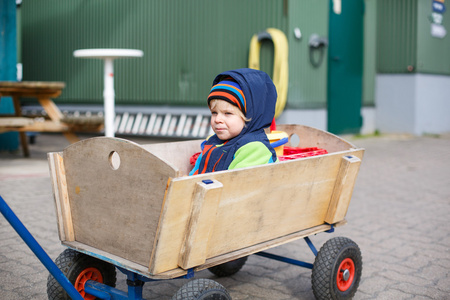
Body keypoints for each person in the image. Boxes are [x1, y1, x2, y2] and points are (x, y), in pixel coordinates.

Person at [189, 68, 278, 175]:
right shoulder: (212, 142)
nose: (217, 119)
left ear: (250, 116)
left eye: (228, 113)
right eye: (214, 112)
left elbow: (234, 184)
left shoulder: (254, 148)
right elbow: (195, 174)